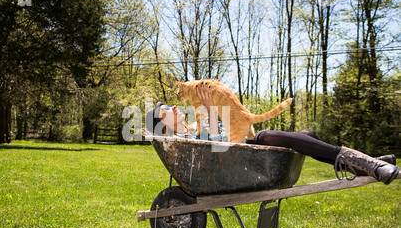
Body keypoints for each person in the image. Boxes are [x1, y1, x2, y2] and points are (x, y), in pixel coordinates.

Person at [145, 84, 400, 185]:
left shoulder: (191, 128)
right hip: (240, 159)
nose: (175, 106)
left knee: (305, 135)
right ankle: (369, 163)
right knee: (267, 136)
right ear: (163, 126)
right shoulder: (183, 142)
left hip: (244, 147)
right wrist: (212, 110)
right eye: (167, 110)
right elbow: (218, 148)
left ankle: (364, 163)